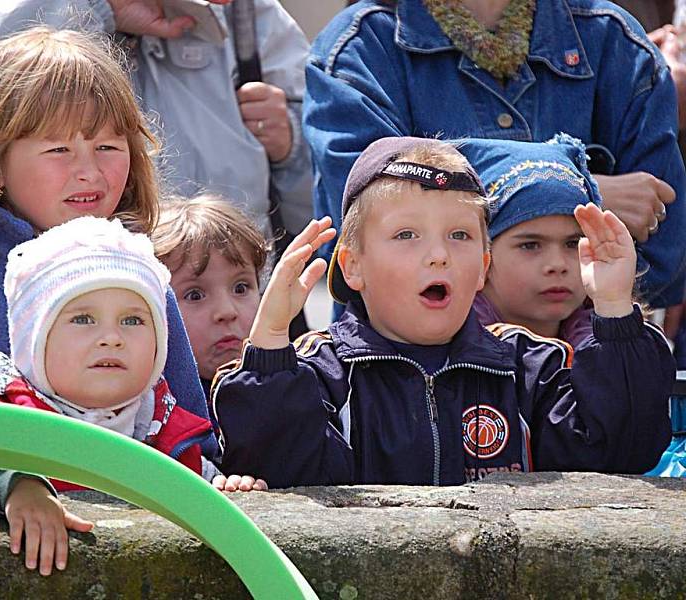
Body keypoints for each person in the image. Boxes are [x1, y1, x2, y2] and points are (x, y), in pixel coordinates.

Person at [212, 136, 674, 488]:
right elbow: (275, 467)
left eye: (459, 236)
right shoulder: (319, 375)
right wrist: (269, 342)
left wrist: (614, 312)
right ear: (353, 268)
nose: (438, 256)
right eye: (407, 235)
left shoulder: (527, 369)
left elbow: (624, 450)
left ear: (482, 269)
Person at [0, 27, 215, 497]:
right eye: (58, 148)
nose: (90, 170)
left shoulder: (145, 290)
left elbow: (192, 448)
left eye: (108, 146)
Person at [0, 216, 266, 577]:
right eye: (83, 319)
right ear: (33, 341)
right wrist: (17, 489)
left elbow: (199, 489)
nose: (111, 338)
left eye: (133, 321)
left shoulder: (164, 426)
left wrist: (223, 488)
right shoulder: (7, 412)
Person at [303, 0, 686, 310]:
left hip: (583, 373)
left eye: (571, 241)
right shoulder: (358, 47)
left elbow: (661, 258)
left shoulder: (616, 39)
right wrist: (584, 191)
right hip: (407, 382)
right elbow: (364, 231)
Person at [0, 0, 313, 238]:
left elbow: (336, 222)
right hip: (45, 310)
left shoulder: (247, 16)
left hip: (233, 333)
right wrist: (98, 8)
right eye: (60, 147)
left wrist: (292, 145)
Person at [463, 134, 600, 346]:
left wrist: (617, 313)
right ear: (482, 257)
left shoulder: (616, 338)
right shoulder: (447, 349)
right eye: (530, 245)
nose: (558, 265)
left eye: (573, 243)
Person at [152, 194, 268, 398]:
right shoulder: (146, 413)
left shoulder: (286, 385)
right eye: (195, 295)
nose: (227, 311)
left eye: (241, 288)